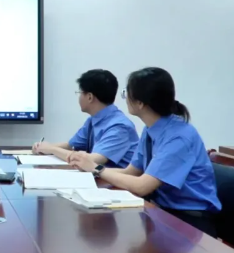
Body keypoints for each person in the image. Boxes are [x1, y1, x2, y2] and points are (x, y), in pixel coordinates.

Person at [70, 67, 221, 236]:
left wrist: (97, 168)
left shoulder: (179, 137)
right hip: (163, 211)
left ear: (140, 103)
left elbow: (142, 186)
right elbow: (131, 172)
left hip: (190, 221)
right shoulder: (150, 130)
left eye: (127, 93)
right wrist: (90, 169)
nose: (125, 98)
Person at [32, 69, 139, 168]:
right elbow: (70, 145)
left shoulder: (120, 127)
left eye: (80, 93)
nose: (79, 97)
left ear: (89, 97)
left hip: (115, 181)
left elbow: (92, 160)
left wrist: (51, 149)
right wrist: (42, 147)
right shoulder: (93, 120)